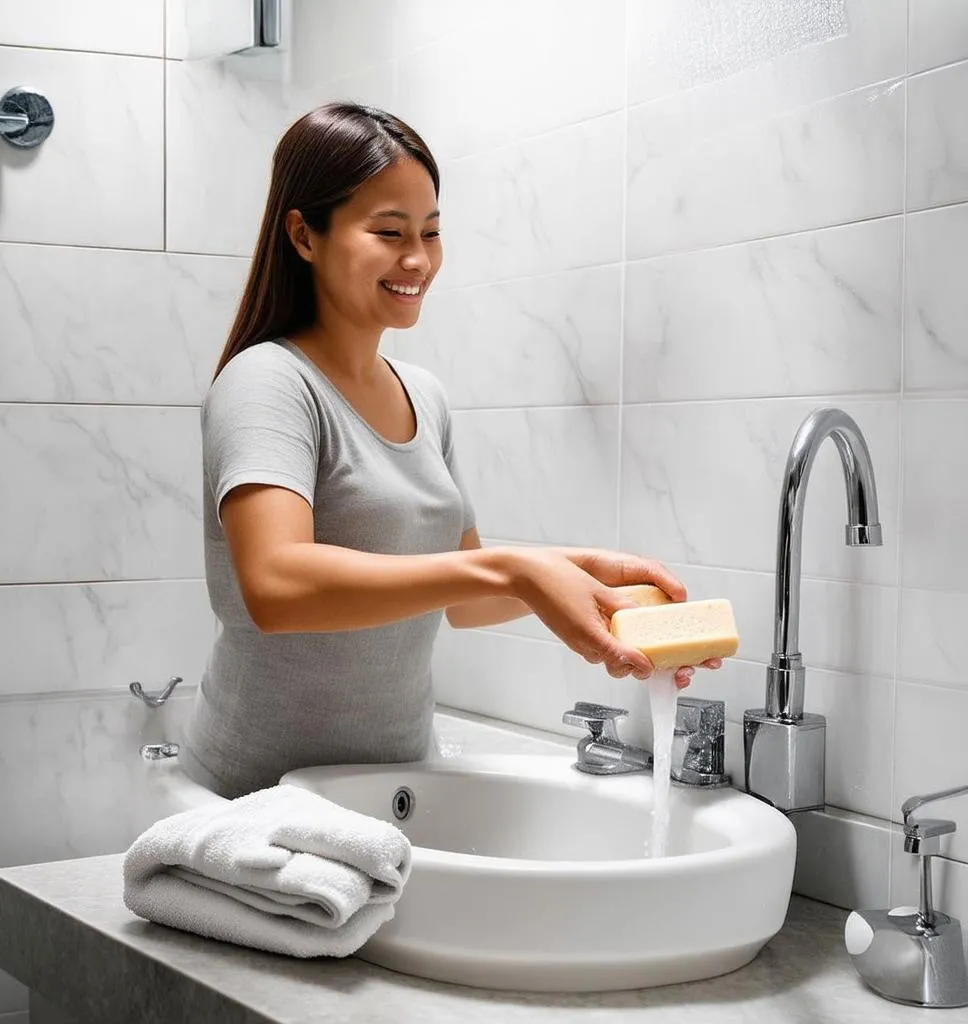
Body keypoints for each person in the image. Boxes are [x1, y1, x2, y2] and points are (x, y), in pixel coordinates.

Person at [180, 103, 720, 800]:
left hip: (392, 791)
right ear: (303, 235)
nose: (418, 259)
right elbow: (276, 586)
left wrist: (591, 584)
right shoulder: (266, 382)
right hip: (256, 803)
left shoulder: (424, 396)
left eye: (431, 233)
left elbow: (463, 595)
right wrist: (514, 570)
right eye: (389, 232)